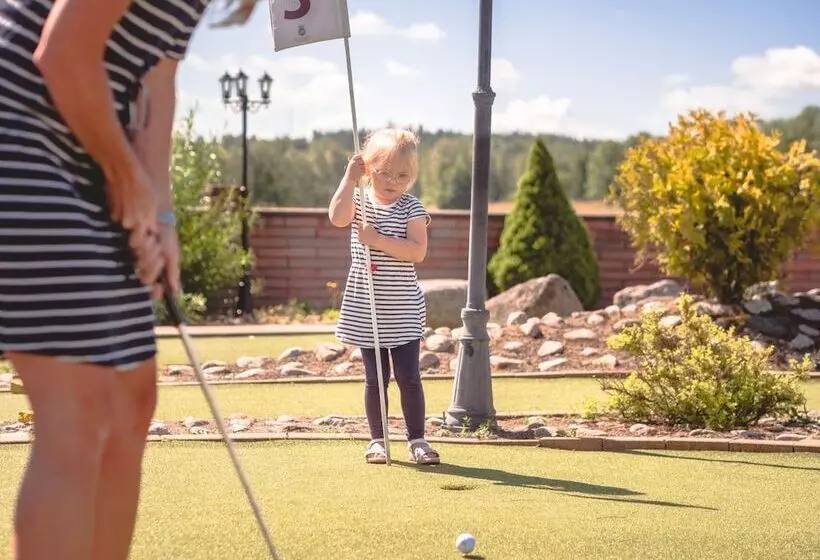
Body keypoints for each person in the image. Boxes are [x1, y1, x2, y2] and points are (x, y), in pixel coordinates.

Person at [0, 0, 228, 558]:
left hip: (89, 132)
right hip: (19, 128)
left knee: (130, 399)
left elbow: (157, 77)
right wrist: (126, 177)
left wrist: (162, 214)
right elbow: (62, 51)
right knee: (79, 410)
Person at [328, 128, 441, 466]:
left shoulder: (412, 207)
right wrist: (349, 180)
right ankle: (377, 440)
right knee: (375, 379)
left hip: (402, 307)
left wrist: (375, 239)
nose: (393, 181)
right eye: (385, 173)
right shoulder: (359, 202)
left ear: (412, 175)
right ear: (369, 169)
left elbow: (417, 252)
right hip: (368, 307)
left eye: (403, 175)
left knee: (408, 377)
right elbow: (337, 217)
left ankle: (417, 440)